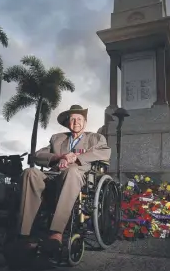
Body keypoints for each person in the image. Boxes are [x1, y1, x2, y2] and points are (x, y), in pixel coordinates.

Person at [18, 105, 111, 256]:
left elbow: (104, 153)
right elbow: (37, 155)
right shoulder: (58, 139)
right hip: (54, 176)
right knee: (30, 173)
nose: (76, 122)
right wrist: (59, 157)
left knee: (72, 171)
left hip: (79, 177)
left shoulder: (95, 138)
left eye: (79, 119)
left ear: (85, 122)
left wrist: (76, 157)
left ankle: (56, 233)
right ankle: (24, 234)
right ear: (67, 122)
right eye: (72, 119)